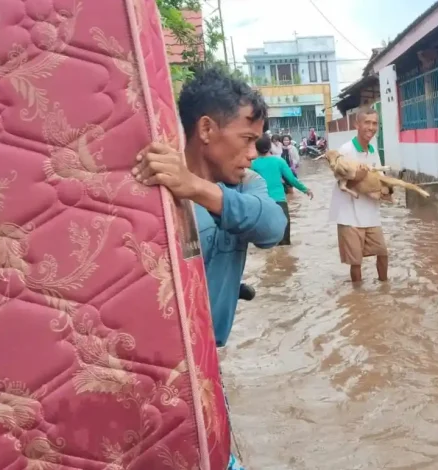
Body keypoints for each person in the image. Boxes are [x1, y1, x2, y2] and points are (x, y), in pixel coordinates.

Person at [132, 67, 286, 470]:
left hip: (207, 359)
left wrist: (196, 188)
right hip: (150, 366)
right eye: (247, 139)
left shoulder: (246, 186)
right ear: (205, 129)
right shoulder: (151, 187)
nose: (254, 153)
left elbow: (273, 227)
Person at [328, 107, 390, 284]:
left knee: (383, 252)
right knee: (355, 262)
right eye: (367, 123)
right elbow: (339, 180)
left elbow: (378, 176)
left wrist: (386, 190)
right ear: (357, 124)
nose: (371, 127)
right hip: (348, 214)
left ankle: (384, 286)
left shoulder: (372, 150)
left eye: (375, 123)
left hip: (370, 212)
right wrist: (357, 177)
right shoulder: (345, 150)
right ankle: (358, 295)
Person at [252, 134, 313, 246]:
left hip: (262, 203)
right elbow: (292, 179)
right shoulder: (279, 161)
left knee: (267, 242)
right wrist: (305, 189)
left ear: (256, 148)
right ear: (270, 147)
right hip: (279, 201)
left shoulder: (253, 164)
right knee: (284, 242)